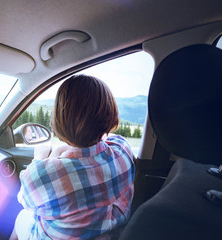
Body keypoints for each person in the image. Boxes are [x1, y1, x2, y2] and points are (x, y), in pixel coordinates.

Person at [11, 74, 135, 240]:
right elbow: (106, 141)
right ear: (110, 114)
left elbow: (25, 201)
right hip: (110, 234)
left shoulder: (41, 175)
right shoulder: (123, 151)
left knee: (19, 217)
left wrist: (39, 159)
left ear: (59, 118)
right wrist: (65, 150)